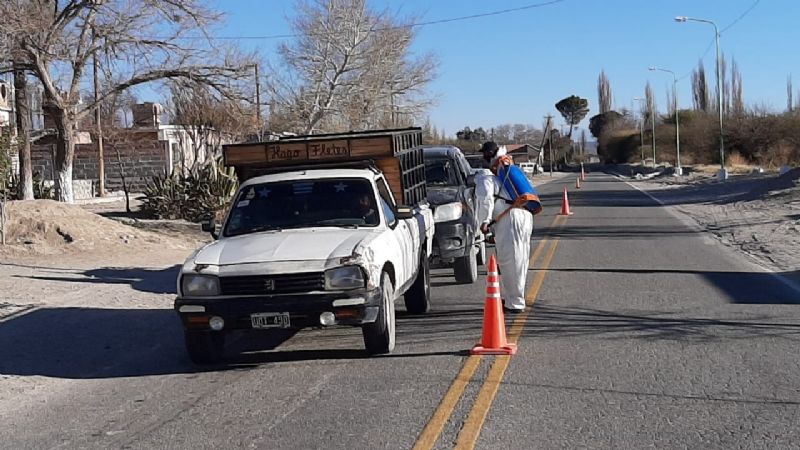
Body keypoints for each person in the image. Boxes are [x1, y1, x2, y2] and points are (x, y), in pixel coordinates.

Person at [474, 141, 534, 313]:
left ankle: (514, 303)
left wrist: (484, 222)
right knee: (520, 260)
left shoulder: (486, 178)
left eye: (485, 154)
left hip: (511, 219)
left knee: (510, 262)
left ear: (489, 154)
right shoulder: (508, 167)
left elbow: (485, 201)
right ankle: (515, 299)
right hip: (524, 216)